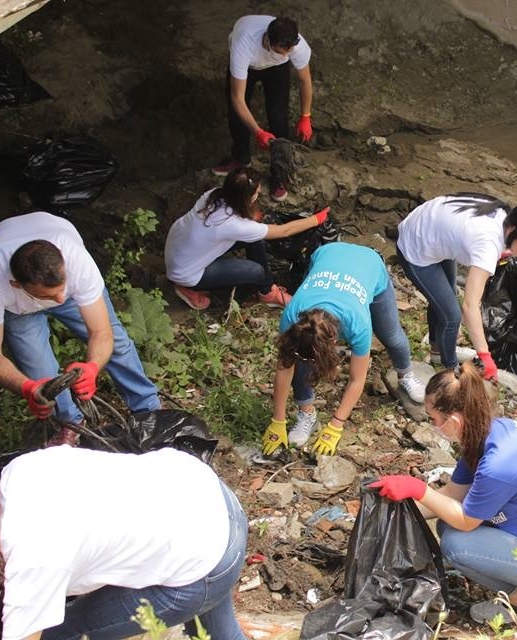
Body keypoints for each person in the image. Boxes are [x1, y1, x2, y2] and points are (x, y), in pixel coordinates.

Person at [371, 363, 517, 625]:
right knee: (446, 524)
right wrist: (398, 509)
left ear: (454, 421)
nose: (432, 424)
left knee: (456, 545)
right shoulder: (490, 432)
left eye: (433, 419)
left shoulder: (498, 464)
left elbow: (466, 520)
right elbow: (453, 494)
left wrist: (418, 489)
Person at [0, 446, 247, 640]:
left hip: (203, 560)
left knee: (63, 633)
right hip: (203, 495)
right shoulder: (20, 472)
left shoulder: (35, 558)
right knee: (217, 636)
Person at [0, 213, 161, 445]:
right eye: (49, 295)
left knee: (117, 344)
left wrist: (91, 368)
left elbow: (101, 333)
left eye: (61, 288)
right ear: (15, 284)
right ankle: (70, 423)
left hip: (64, 285)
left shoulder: (75, 261)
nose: (59, 300)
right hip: (17, 308)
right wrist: (27, 388)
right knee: (40, 372)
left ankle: (147, 408)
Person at [262, 242, 426, 458]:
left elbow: (357, 379)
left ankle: (405, 373)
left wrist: (335, 426)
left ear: (334, 343)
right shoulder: (293, 318)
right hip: (327, 254)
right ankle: (307, 412)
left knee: (392, 336)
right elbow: (284, 369)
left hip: (370, 265)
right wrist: (278, 420)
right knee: (299, 361)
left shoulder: (358, 324)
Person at [395, 194, 517, 379]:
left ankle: (438, 352)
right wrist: (485, 355)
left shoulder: (504, 214)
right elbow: (470, 306)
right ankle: (450, 370)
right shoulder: (487, 243)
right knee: (452, 316)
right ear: (513, 229)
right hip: (415, 247)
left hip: (430, 228)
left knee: (447, 294)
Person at [165, 166, 328, 310]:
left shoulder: (213, 195)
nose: (259, 194)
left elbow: (244, 225)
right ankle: (267, 293)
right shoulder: (232, 225)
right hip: (185, 272)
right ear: (246, 197)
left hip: (178, 249)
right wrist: (316, 219)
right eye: (256, 193)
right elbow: (284, 231)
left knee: (255, 236)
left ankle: (267, 289)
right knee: (257, 271)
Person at [213, 15, 315, 203]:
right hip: (250, 65)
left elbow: (304, 80)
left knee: (278, 116)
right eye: (279, 51)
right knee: (237, 114)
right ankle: (241, 158)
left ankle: (279, 172)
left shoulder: (295, 46)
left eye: (288, 52)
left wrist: (305, 116)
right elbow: (238, 98)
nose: (285, 55)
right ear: (267, 39)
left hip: (276, 70)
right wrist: (258, 132)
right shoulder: (244, 44)